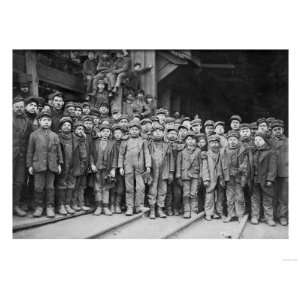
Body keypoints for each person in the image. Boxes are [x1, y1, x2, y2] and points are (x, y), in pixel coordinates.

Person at [26, 110, 63, 218]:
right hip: (38, 165)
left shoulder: (55, 135)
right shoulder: (34, 135)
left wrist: (59, 163)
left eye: (48, 120)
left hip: (51, 166)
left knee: (50, 187)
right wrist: (29, 165)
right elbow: (30, 151)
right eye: (44, 120)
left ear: (51, 122)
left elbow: (59, 151)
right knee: (38, 187)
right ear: (39, 121)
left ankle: (49, 207)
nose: (46, 122)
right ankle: (39, 207)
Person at [118, 121, 151, 216]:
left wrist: (148, 166)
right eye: (132, 129)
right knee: (129, 188)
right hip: (128, 166)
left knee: (141, 187)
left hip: (140, 167)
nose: (134, 131)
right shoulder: (125, 141)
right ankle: (129, 207)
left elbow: (147, 153)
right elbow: (121, 154)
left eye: (136, 129)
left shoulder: (143, 141)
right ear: (129, 130)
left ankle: (139, 206)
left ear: (139, 131)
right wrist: (120, 167)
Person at [147, 124, 174, 219]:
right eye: (155, 131)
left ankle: (160, 209)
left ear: (163, 133)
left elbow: (171, 159)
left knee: (163, 190)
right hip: (153, 170)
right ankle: (152, 209)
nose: (158, 133)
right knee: (152, 190)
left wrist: (171, 172)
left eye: (160, 131)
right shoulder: (148, 144)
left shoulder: (167, 145)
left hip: (164, 170)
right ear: (152, 133)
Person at [250, 132, 277, 226]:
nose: (257, 142)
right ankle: (255, 216)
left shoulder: (270, 152)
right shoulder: (253, 151)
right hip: (255, 179)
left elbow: (272, 167)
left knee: (267, 199)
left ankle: (269, 218)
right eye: (256, 140)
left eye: (260, 140)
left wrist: (270, 179)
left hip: (265, 180)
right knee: (255, 199)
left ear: (264, 141)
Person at [90, 124, 117, 216]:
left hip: (107, 169)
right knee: (97, 188)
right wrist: (92, 164)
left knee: (106, 188)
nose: (105, 133)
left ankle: (105, 207)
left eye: (108, 131)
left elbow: (114, 157)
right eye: (103, 131)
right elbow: (91, 154)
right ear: (100, 132)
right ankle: (99, 206)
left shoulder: (112, 143)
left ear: (110, 133)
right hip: (97, 169)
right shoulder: (95, 142)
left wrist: (113, 169)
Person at [222, 131, 248, 223]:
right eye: (230, 140)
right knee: (229, 197)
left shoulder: (242, 150)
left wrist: (242, 173)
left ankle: (240, 214)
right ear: (228, 141)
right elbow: (221, 164)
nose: (232, 141)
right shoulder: (224, 150)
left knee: (239, 196)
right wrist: (222, 176)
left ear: (238, 140)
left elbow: (245, 164)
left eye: (234, 139)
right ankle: (230, 214)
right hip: (228, 177)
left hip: (238, 177)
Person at [13, 96, 32, 216]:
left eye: (21, 107)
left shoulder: (27, 121)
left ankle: (15, 205)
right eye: (17, 107)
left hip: (21, 156)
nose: (19, 109)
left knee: (19, 182)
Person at [176, 131, 202, 218]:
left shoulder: (198, 151)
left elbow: (201, 164)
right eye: (188, 139)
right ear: (185, 141)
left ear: (195, 141)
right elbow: (178, 164)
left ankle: (194, 210)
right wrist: (178, 175)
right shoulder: (181, 152)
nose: (190, 141)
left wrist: (201, 175)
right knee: (186, 194)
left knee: (194, 193)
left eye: (193, 139)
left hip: (195, 174)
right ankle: (187, 211)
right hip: (185, 174)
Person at [201, 134, 226, 220]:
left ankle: (219, 212)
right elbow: (204, 168)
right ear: (209, 144)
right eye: (212, 143)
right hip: (211, 178)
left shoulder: (222, 153)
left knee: (220, 196)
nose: (215, 145)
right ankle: (209, 213)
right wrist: (206, 179)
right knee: (209, 196)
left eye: (216, 143)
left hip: (221, 178)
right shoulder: (206, 155)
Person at [56, 117, 76, 215]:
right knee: (62, 184)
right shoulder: (57, 137)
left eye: (69, 125)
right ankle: (61, 205)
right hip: (63, 164)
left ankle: (68, 204)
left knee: (71, 184)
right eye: (65, 125)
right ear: (61, 127)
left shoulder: (74, 137)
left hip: (73, 164)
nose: (67, 127)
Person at [270, 120, 288, 226]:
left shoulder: (289, 141)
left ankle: (282, 216)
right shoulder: (269, 142)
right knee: (272, 195)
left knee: (284, 196)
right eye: (275, 129)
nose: (277, 131)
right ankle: (271, 216)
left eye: (279, 129)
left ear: (283, 130)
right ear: (272, 131)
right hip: (272, 174)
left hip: (285, 172)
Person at [72, 121, 90, 211]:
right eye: (79, 129)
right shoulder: (73, 139)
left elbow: (87, 153)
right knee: (75, 186)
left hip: (83, 166)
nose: (81, 131)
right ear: (74, 130)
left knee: (82, 186)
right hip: (75, 166)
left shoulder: (85, 140)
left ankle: (81, 203)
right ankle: (74, 204)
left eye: (82, 129)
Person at [165, 126, 183, 216]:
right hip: (166, 171)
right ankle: (168, 209)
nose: (172, 135)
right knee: (167, 192)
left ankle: (176, 207)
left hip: (178, 172)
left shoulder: (181, 146)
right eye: (170, 133)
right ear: (167, 135)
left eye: (174, 133)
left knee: (177, 193)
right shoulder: (164, 144)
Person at [110, 124, 126, 214]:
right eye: (115, 133)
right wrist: (113, 168)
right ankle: (112, 205)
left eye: (119, 133)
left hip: (122, 169)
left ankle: (117, 205)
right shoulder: (111, 143)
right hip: (112, 168)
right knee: (112, 187)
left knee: (120, 188)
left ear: (122, 134)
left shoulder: (124, 143)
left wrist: (122, 167)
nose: (117, 134)